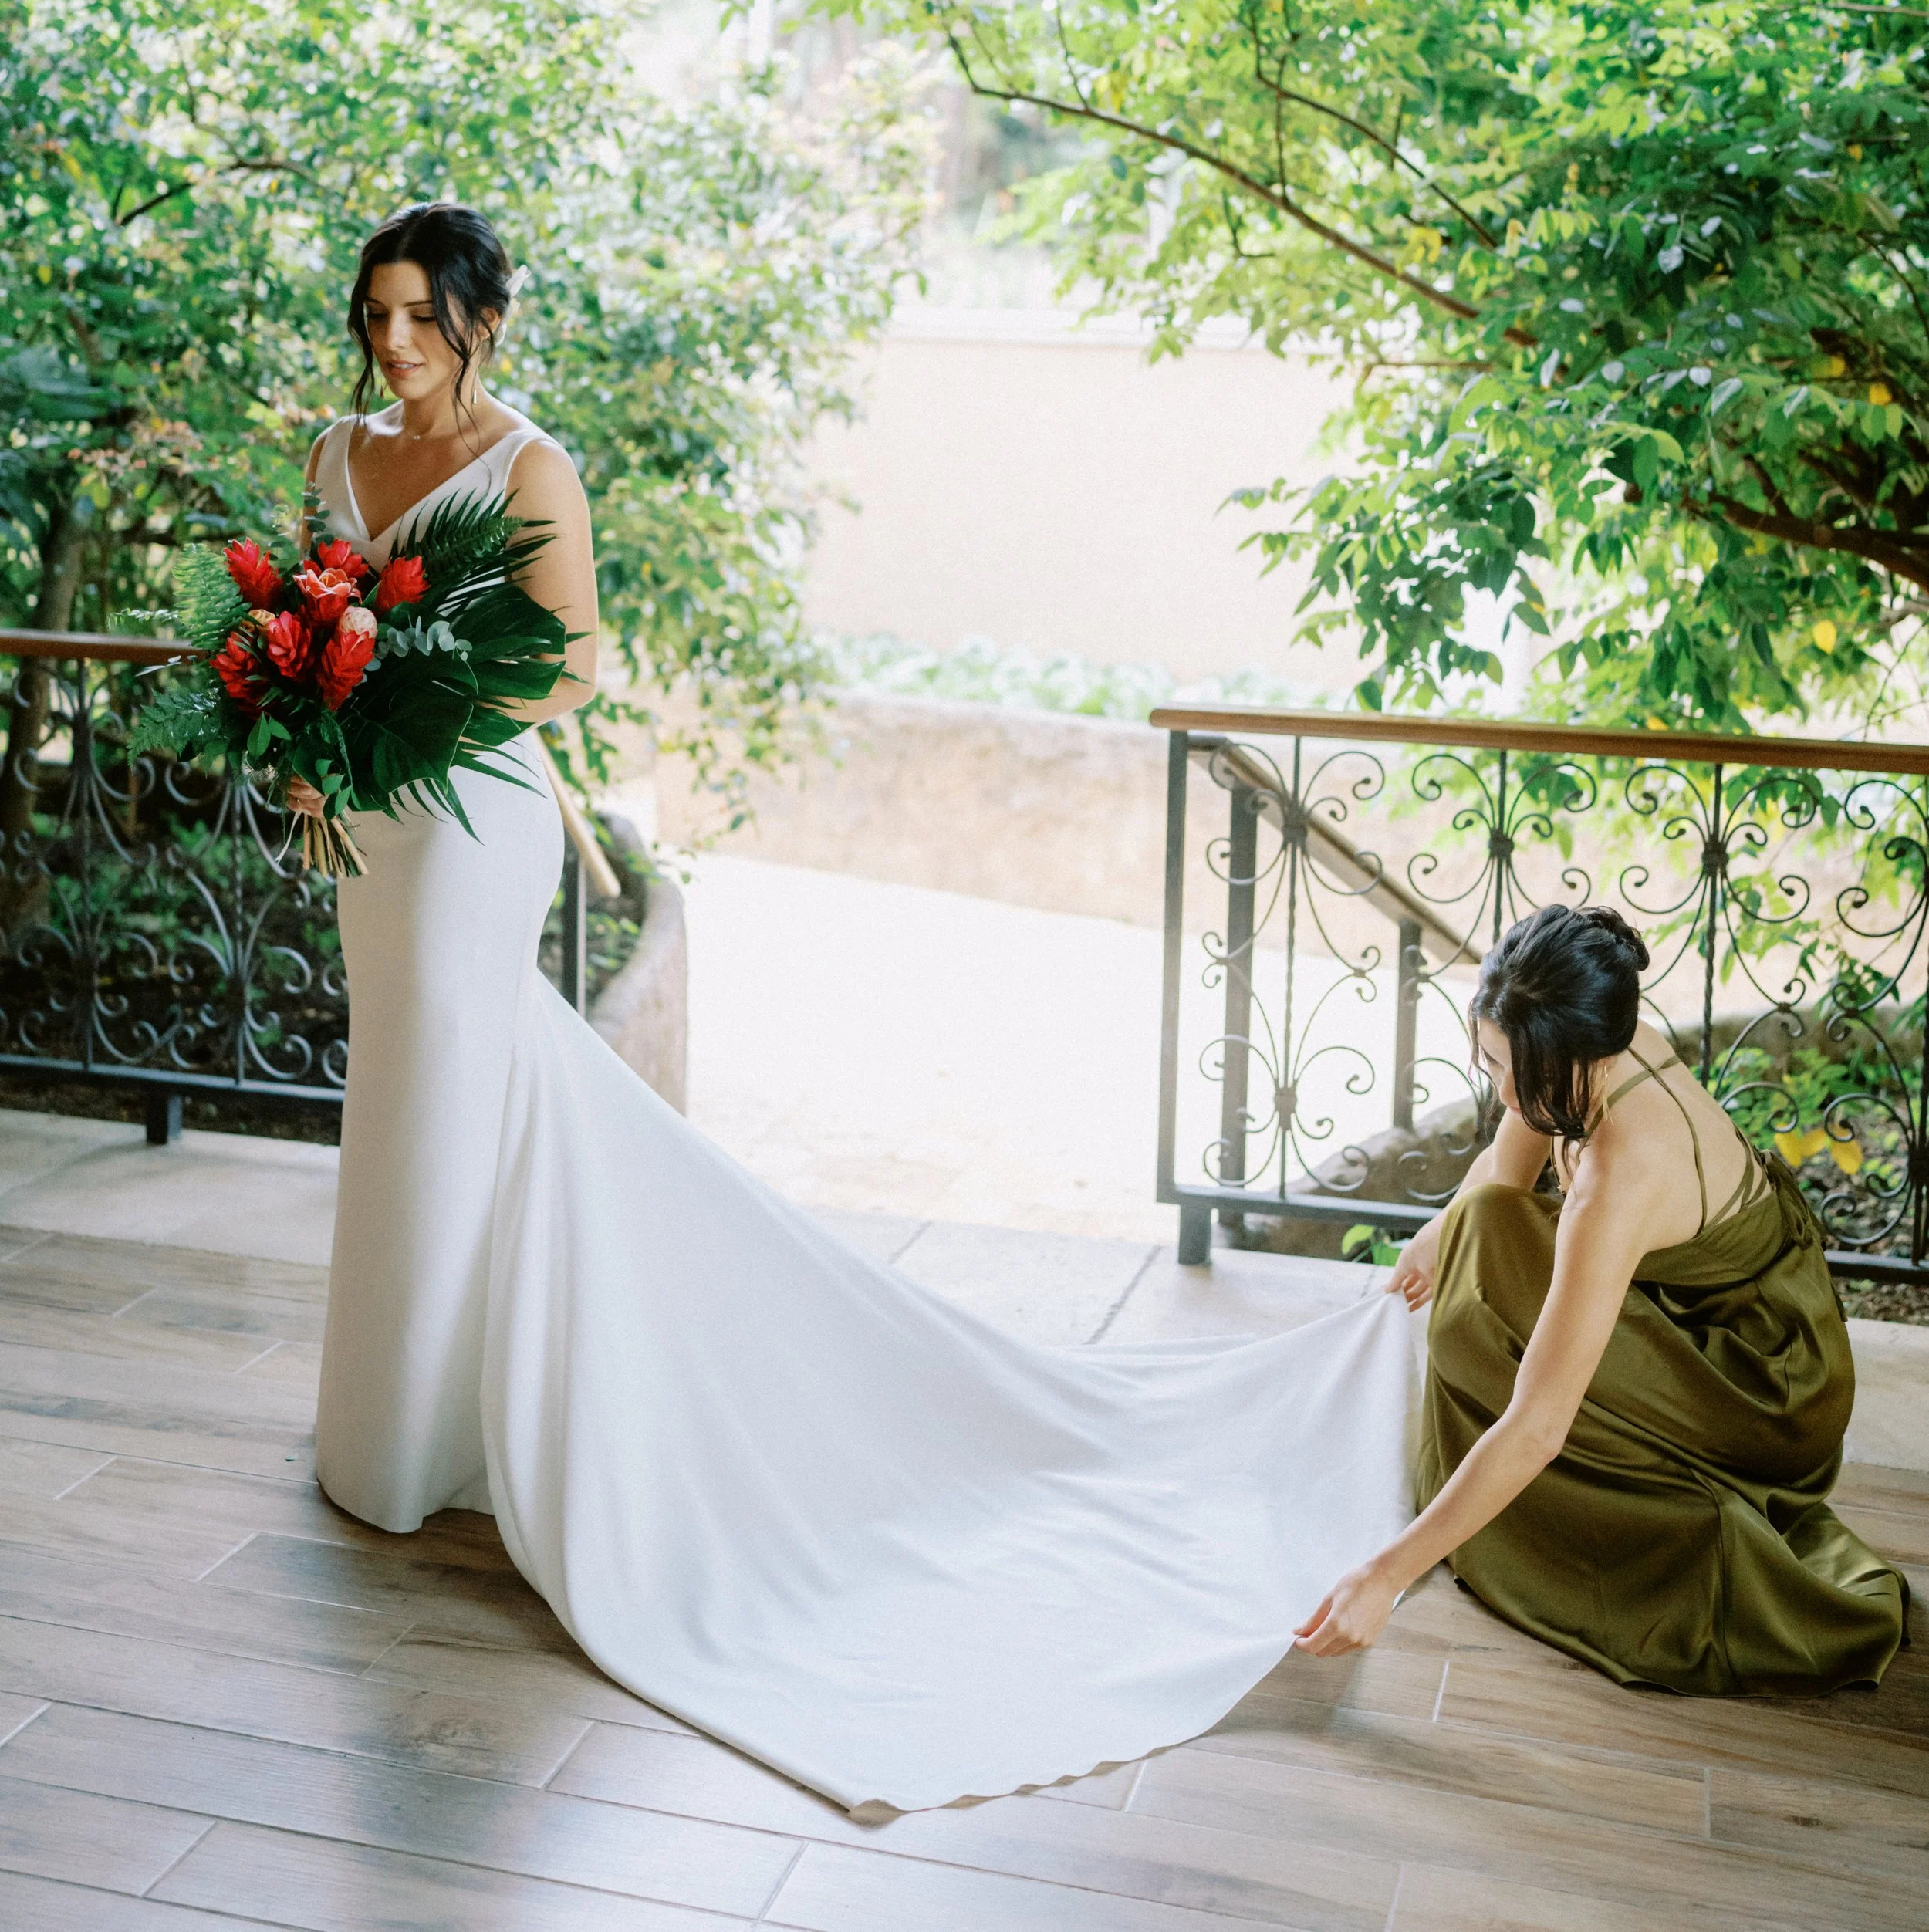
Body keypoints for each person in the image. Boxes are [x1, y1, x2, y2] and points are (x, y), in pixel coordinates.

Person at [290, 201, 1424, 1816]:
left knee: (465, 1079)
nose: (392, 346)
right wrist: (313, 734)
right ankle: (384, 1421)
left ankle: (452, 1427)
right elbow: (300, 624)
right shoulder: (337, 456)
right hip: (367, 820)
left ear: (482, 322)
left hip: (471, 810)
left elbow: (578, 666)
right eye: (375, 315)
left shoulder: (529, 470)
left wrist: (419, 684)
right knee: (394, 1087)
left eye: (419, 317)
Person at [1295, 901, 1908, 1695]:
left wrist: (1383, 1576)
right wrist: (1434, 1232)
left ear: (1578, 1053)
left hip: (1766, 1382)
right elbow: (1499, 1179)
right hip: (1703, 1322)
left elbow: (1539, 1424)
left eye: (1523, 1071)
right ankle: (1482, 1501)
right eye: (1489, 1062)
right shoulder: (1581, 1045)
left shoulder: (1622, 1171)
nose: (1507, 1093)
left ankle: (1599, 1528)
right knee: (1478, 1229)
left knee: (1498, 1331)